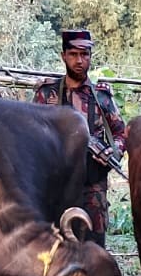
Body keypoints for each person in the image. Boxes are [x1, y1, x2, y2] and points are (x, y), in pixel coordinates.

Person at [32, 29, 125, 244]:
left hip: (92, 188)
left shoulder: (102, 96)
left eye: (85, 55)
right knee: (56, 248)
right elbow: (30, 135)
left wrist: (114, 152)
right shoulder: (47, 94)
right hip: (55, 186)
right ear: (63, 56)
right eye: (73, 54)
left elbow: (120, 133)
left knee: (94, 249)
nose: (79, 61)